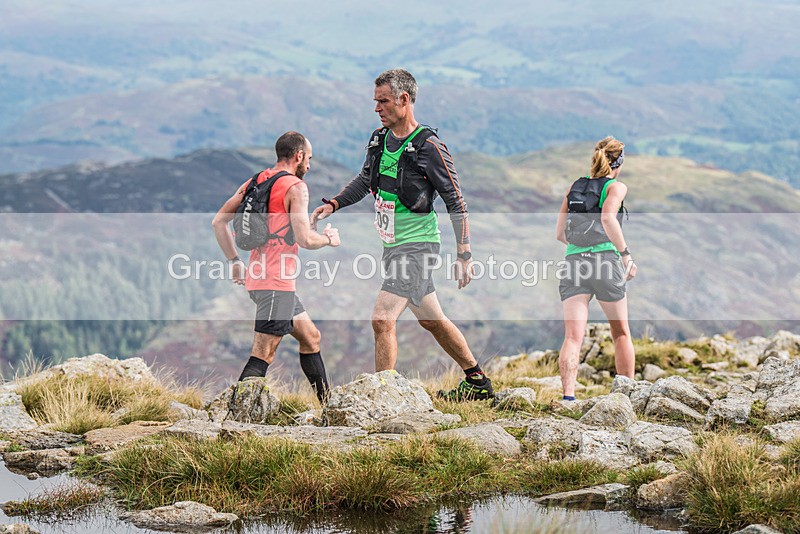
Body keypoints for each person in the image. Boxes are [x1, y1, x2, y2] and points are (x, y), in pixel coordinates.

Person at [311, 68, 493, 401]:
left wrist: (464, 253)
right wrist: (334, 203)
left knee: (382, 319)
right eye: (375, 101)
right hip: (393, 246)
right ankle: (478, 382)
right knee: (432, 320)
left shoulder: (429, 146)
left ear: (404, 100)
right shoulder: (379, 139)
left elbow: (456, 200)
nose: (376, 108)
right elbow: (365, 180)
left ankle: (384, 399)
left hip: (419, 247)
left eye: (383, 101)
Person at [212, 131, 340, 403]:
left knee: (311, 337)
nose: (310, 165)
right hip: (275, 284)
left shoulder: (256, 180)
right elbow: (305, 239)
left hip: (265, 279)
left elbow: (218, 222)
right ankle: (237, 419)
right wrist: (329, 239)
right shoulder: (296, 187)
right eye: (309, 159)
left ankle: (328, 407)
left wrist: (235, 262)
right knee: (263, 354)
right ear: (299, 156)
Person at [555, 136, 637, 400]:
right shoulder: (616, 187)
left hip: (574, 263)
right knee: (620, 332)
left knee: (572, 337)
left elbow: (559, 234)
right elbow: (607, 217)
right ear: (619, 162)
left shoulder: (575, 187)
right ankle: (627, 396)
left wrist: (581, 248)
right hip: (605, 262)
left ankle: (568, 396)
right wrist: (625, 255)